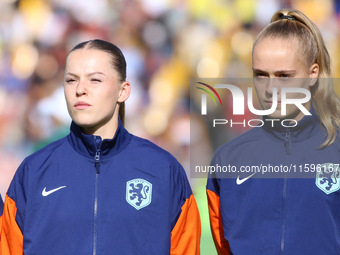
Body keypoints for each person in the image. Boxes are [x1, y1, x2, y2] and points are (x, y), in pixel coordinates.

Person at [1, 39, 201, 255]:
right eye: (71, 80)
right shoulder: (34, 170)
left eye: (95, 79)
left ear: (123, 91)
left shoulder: (163, 169)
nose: (80, 90)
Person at [207, 9, 340, 255]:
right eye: (260, 75)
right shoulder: (227, 160)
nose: (270, 88)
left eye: (284, 76)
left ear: (313, 74)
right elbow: (224, 246)